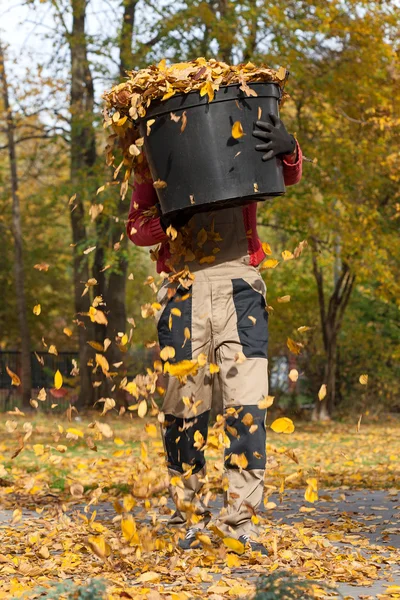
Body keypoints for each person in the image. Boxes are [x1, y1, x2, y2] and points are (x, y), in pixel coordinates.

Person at [127, 114, 303, 555]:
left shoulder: (238, 136)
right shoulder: (155, 154)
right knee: (184, 410)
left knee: (247, 404)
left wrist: (289, 148)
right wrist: (173, 210)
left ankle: (240, 522)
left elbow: (287, 174)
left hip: (240, 285)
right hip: (183, 289)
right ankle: (189, 517)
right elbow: (135, 228)